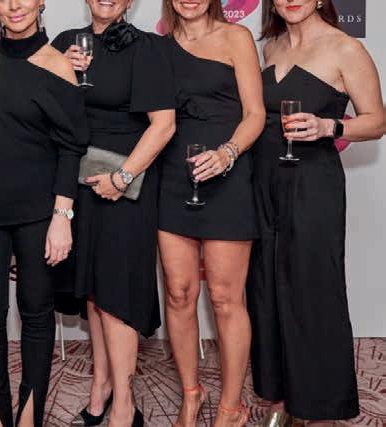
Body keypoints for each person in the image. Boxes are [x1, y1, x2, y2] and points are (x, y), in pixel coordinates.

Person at [250, 1, 384, 426]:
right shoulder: (270, 47)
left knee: (314, 290)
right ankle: (279, 400)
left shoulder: (345, 48)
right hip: (262, 181)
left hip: (313, 183)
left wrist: (331, 127)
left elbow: (377, 121)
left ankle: (321, 408)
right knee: (265, 289)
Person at [0, 1, 88, 425]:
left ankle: (30, 416)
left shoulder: (58, 65)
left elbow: (72, 147)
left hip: (39, 210)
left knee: (36, 313)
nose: (15, 5)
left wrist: (62, 216)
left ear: (41, 3)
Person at [52, 1, 176, 426]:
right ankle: (100, 386)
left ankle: (124, 402)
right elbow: (45, 112)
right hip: (78, 180)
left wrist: (122, 178)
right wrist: (60, 71)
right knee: (93, 289)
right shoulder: (65, 44)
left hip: (127, 181)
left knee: (116, 292)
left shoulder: (148, 48)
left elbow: (164, 124)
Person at [156, 1, 265, 426]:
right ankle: (191, 393)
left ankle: (231, 407)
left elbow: (255, 114)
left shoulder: (237, 37)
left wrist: (227, 154)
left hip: (228, 176)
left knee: (225, 298)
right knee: (179, 293)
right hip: (174, 178)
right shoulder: (159, 48)